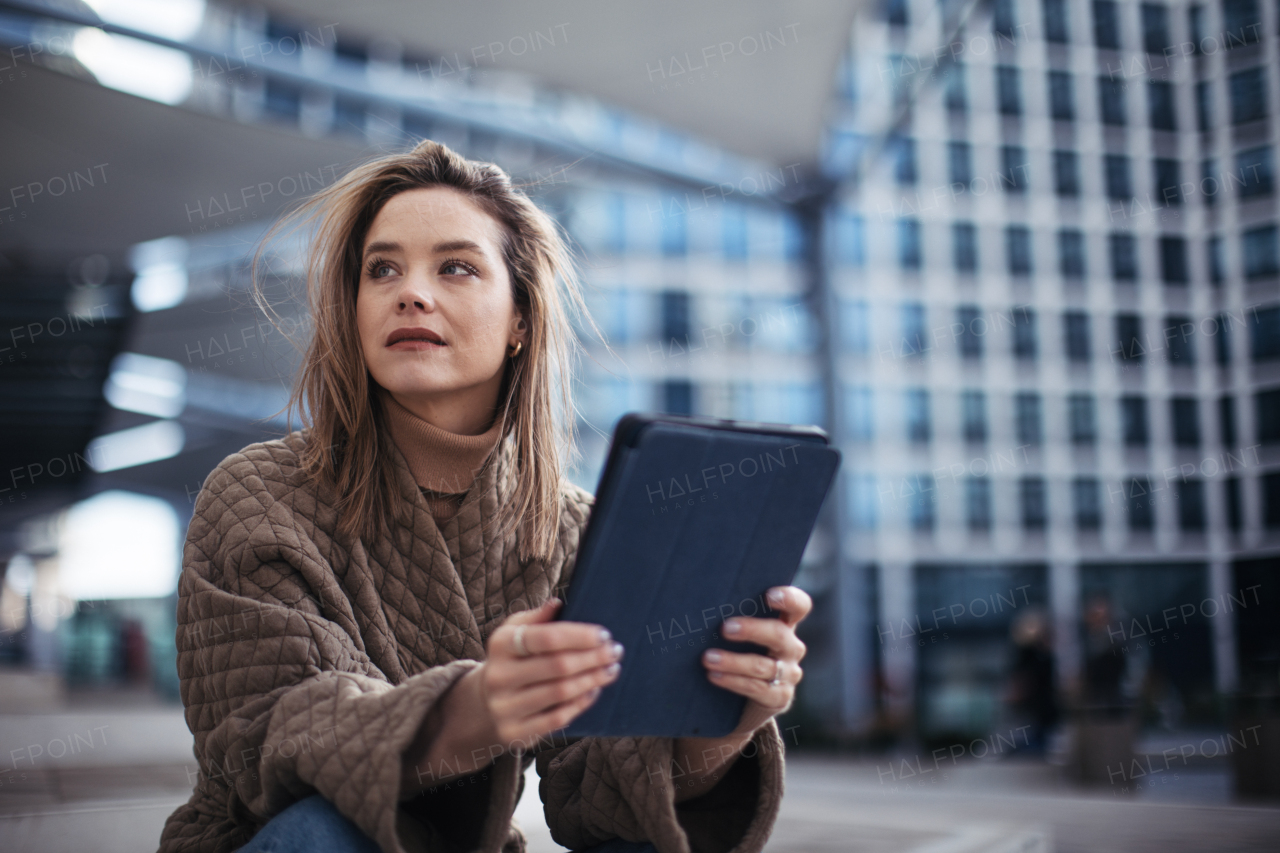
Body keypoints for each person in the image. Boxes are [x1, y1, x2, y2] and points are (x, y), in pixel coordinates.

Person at [157, 140, 808, 853]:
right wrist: (472, 709)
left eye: (456, 266)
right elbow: (273, 733)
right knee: (325, 829)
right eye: (383, 269)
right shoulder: (257, 494)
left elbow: (595, 793)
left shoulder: (573, 529)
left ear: (521, 321)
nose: (411, 291)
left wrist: (718, 726)